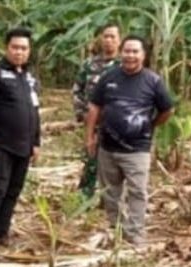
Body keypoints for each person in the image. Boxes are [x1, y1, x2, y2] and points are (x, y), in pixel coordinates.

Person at [84, 36, 175, 247]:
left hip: (137, 150)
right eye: (127, 51)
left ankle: (135, 233)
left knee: (137, 192)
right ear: (120, 52)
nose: (130, 56)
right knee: (110, 192)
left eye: (135, 52)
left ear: (143, 55)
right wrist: (89, 137)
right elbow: (94, 108)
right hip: (107, 147)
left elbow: (167, 110)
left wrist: (150, 125)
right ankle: (116, 229)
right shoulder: (108, 77)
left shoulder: (153, 81)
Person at [0, 27, 42, 253]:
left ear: (29, 51)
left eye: (24, 48)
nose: (19, 52)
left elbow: (34, 111)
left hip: (24, 145)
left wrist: (36, 142)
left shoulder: (29, 77)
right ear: (6, 48)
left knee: (14, 189)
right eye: (15, 47)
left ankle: (1, 232)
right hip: (1, 144)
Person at [71, 22, 121, 200]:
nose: (108, 40)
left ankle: (110, 198)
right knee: (91, 160)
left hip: (116, 125)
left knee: (114, 162)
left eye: (112, 37)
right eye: (105, 36)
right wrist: (81, 113)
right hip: (92, 123)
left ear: (119, 40)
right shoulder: (89, 64)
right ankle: (86, 196)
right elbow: (77, 89)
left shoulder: (124, 65)